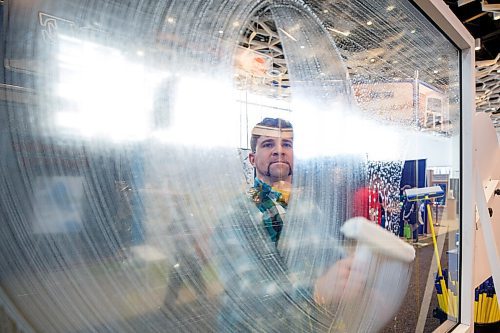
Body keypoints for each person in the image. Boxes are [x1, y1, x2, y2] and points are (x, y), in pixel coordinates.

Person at [211, 118, 363, 332]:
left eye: (287, 145)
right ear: (252, 158)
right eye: (268, 144)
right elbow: (245, 294)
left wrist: (359, 265)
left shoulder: (307, 207)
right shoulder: (239, 212)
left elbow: (330, 254)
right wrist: (315, 289)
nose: (279, 151)